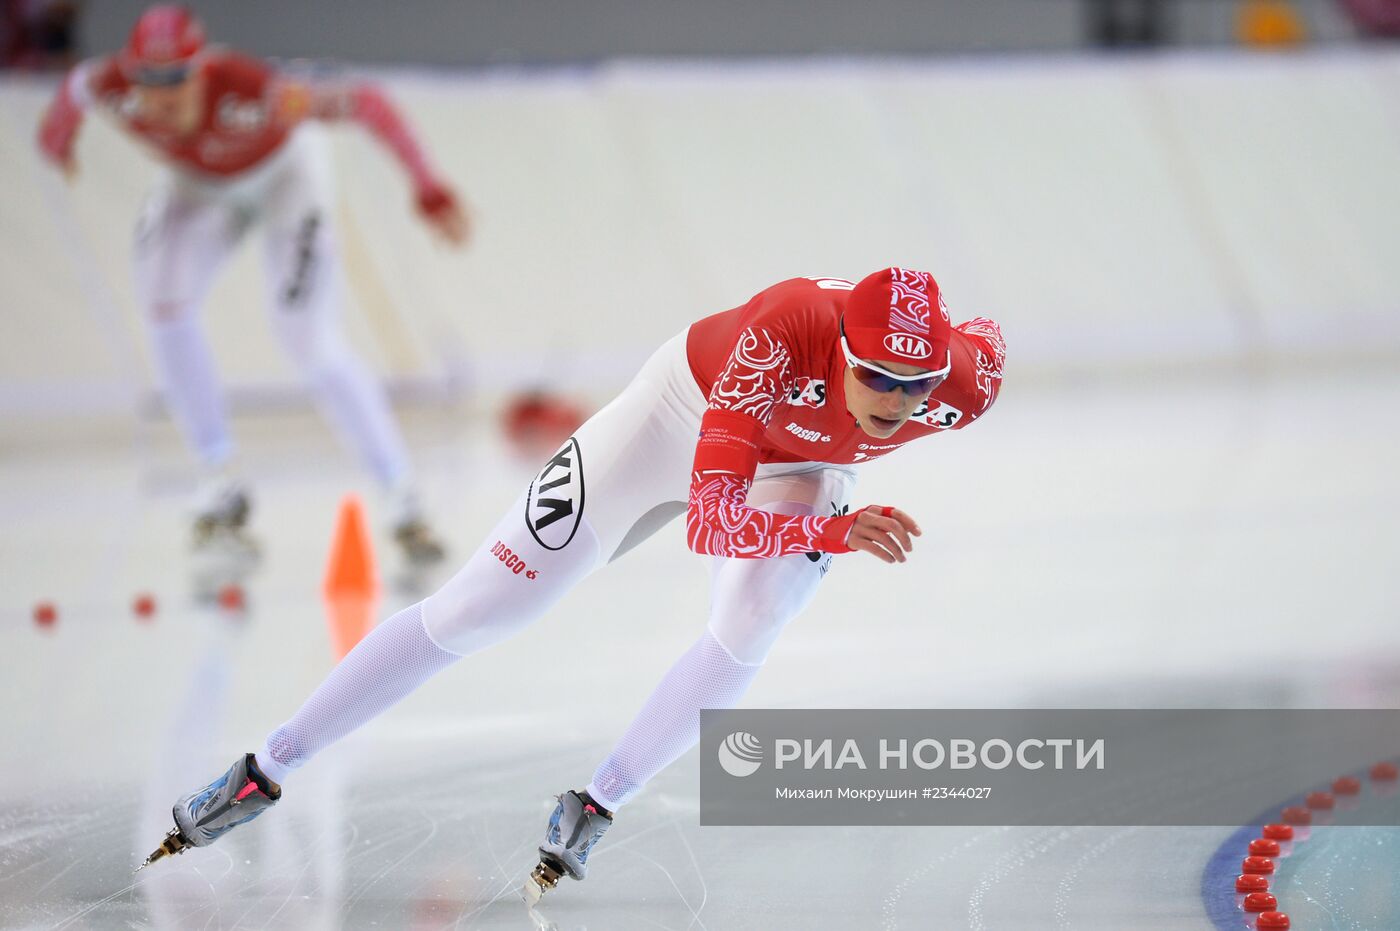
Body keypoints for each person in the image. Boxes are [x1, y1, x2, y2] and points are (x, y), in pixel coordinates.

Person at [143, 268, 1006, 899]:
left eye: (916, 383)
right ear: (842, 348)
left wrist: (821, 511)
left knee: (754, 617)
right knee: (479, 609)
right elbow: (709, 522)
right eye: (876, 375)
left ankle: (597, 802)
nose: (895, 401)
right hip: (679, 415)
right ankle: (263, 769)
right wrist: (830, 531)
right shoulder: (779, 334)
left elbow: (985, 338)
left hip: (801, 466)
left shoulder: (968, 383)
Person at [35, 5, 467, 564]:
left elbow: (368, 103)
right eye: (149, 81)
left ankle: (400, 493)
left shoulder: (259, 91)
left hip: (287, 176)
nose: (162, 98)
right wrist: (57, 143)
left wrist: (428, 187)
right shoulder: (107, 87)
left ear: (204, 70)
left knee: (307, 339)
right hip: (198, 186)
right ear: (130, 74)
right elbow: (69, 97)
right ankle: (219, 475)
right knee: (163, 300)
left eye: (177, 79)